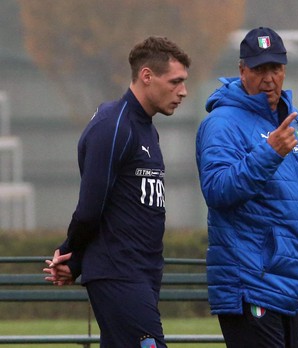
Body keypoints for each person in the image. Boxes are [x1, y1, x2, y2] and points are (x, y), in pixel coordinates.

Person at [43, 36, 191, 348]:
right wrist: (70, 253)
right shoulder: (113, 125)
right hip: (119, 273)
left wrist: (77, 260)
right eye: (175, 82)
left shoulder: (147, 128)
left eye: (184, 83)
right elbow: (90, 208)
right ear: (147, 76)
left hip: (142, 273)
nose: (183, 92)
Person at [195, 27, 298, 348]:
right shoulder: (221, 123)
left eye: (276, 68)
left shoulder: (292, 120)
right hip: (253, 282)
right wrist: (269, 153)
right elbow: (217, 190)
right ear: (242, 70)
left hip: (290, 281)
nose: (269, 78)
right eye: (259, 69)